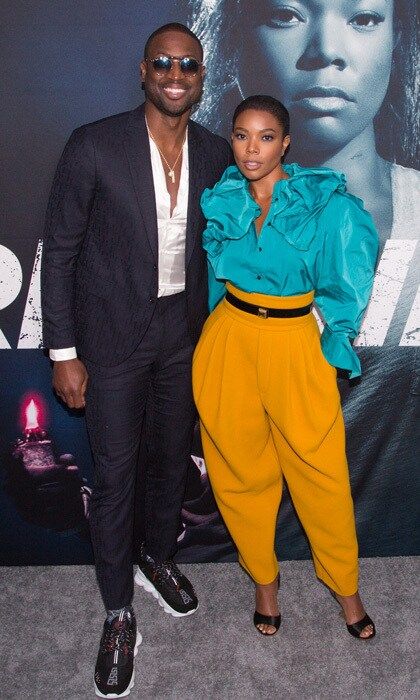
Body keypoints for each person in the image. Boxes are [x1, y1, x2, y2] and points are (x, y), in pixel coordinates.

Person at [189, 0, 419, 561]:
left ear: (397, 39)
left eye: (363, 18)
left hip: (398, 569)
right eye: (287, 15)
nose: (325, 52)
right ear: (241, 38)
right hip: (236, 559)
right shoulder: (214, 217)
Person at [41, 22, 231, 698]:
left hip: (182, 335)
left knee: (169, 462)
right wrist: (64, 351)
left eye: (188, 64)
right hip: (112, 340)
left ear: (202, 76)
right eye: (163, 63)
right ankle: (119, 612)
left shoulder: (214, 152)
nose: (175, 74)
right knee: (117, 472)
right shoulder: (93, 144)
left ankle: (158, 555)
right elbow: (59, 252)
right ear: (143, 71)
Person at [193, 95, 379, 638]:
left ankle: (347, 590)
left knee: (322, 474)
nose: (252, 149)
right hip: (229, 339)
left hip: (294, 340)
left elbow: (350, 268)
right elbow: (209, 282)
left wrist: (339, 334)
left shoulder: (321, 202)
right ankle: (264, 584)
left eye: (266, 136)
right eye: (242, 135)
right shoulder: (224, 199)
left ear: (286, 141)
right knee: (238, 472)